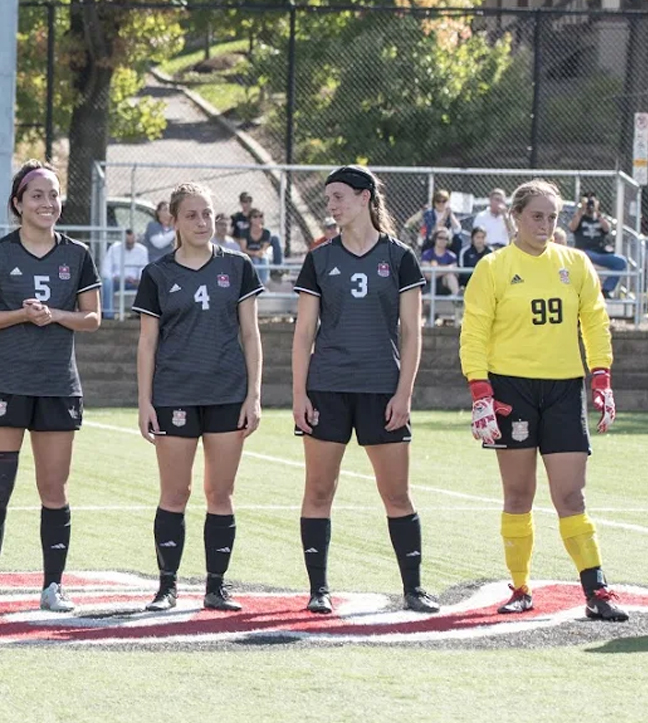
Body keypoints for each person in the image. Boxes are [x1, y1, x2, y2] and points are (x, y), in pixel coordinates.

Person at [459, 179, 627, 622]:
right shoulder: (493, 267)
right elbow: (473, 332)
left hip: (563, 388)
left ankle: (597, 589)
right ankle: (519, 586)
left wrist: (602, 378)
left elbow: (594, 321)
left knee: (571, 496)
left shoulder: (575, 262)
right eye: (537, 215)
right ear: (515, 217)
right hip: (510, 388)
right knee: (518, 493)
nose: (546, 225)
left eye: (552, 217)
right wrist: (480, 392)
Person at [291, 165, 438, 615]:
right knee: (319, 490)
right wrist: (299, 394)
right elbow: (303, 334)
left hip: (381, 389)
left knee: (396, 493)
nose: (330, 206)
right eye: (329, 199)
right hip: (328, 388)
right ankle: (319, 590)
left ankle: (413, 588)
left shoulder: (399, 257)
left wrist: (404, 393)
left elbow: (412, 332)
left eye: (337, 197)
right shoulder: (320, 258)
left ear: (364, 198)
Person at [0, 161, 101, 614]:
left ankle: (53, 586)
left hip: (58, 386)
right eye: (37, 195)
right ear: (18, 203)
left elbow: (93, 318)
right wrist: (21, 315)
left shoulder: (77, 254)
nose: (47, 203)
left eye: (54, 194)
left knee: (53, 489)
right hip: (6, 382)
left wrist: (56, 315)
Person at [132, 182, 264, 613]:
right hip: (175, 395)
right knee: (175, 493)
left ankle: (216, 586)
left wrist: (254, 395)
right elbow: (147, 344)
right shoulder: (158, 273)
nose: (202, 222)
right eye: (192, 215)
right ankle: (166, 586)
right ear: (173, 219)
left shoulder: (239, 266)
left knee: (220, 494)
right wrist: (145, 401)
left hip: (227, 393)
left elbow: (250, 334)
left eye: (207, 214)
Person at [571, 193, 629, 297]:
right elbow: (572, 228)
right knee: (587, 255)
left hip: (600, 252)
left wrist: (596, 211)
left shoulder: (600, 218)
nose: (590, 205)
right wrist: (581, 210)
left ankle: (606, 290)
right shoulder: (580, 218)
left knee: (620, 262)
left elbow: (607, 228)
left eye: (592, 202)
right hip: (584, 252)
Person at [101, 228, 150, 319]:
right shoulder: (114, 248)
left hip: (135, 282)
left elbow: (144, 268)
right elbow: (106, 270)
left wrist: (138, 279)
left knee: (148, 283)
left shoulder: (142, 250)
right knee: (107, 283)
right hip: (117, 281)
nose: (130, 244)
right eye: (127, 242)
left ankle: (143, 315)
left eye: (132, 242)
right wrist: (116, 278)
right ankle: (108, 316)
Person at [236, 209, 283, 281]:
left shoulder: (266, 232)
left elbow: (264, 248)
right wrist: (255, 253)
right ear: (250, 219)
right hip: (249, 255)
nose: (258, 218)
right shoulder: (244, 232)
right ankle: (256, 284)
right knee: (255, 260)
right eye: (255, 216)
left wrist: (259, 253)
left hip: (260, 255)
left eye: (260, 216)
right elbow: (243, 249)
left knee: (264, 259)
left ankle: (264, 283)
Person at [420, 229, 461, 296]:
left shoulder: (452, 256)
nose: (443, 240)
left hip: (444, 284)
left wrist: (436, 269)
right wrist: (448, 268)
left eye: (446, 238)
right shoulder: (427, 254)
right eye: (440, 238)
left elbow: (456, 273)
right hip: (429, 285)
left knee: (450, 276)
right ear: (435, 238)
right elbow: (428, 275)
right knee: (427, 302)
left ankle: (457, 298)